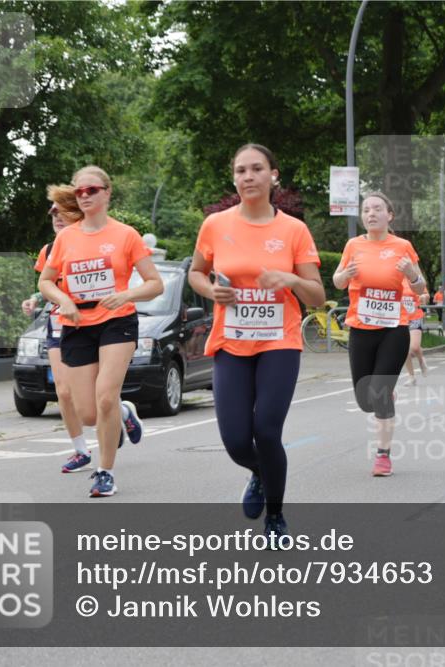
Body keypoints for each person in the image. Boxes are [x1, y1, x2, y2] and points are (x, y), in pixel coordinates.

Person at [189, 144, 323, 540]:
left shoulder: (293, 230)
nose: (248, 176)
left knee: (266, 430)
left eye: (257, 169)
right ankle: (260, 473)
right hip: (231, 342)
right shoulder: (216, 225)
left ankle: (276, 518)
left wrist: (292, 281)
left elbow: (316, 295)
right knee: (234, 440)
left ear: (273, 176)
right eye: (241, 170)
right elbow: (197, 272)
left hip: (278, 342)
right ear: (234, 178)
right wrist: (212, 291)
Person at [39, 166, 162, 498]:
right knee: (90, 413)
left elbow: (155, 284)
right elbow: (45, 281)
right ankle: (124, 412)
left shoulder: (126, 235)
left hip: (116, 321)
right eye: (79, 192)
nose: (85, 196)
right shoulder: (66, 237)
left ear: (107, 192)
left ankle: (105, 471)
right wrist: (64, 300)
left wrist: (126, 295)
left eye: (91, 190)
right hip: (77, 325)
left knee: (105, 395)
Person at [335, 192, 425, 477]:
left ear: (390, 215)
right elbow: (337, 282)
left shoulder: (402, 246)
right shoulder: (353, 245)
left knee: (381, 394)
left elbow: (421, 287)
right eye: (366, 210)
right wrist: (345, 274)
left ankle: (383, 455)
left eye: (377, 209)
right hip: (361, 329)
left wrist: (411, 274)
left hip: (393, 329)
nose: (371, 213)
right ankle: (385, 393)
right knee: (365, 400)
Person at [22, 199, 90, 473]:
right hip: (57, 322)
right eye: (52, 214)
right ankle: (81, 451)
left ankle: (121, 412)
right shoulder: (48, 250)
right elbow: (49, 285)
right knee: (63, 390)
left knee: (94, 392)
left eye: (62, 213)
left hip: (89, 322)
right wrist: (35, 299)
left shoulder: (87, 245)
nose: (57, 218)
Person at [402, 279, 429, 385]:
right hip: (400, 318)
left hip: (415, 317)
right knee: (403, 350)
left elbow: (426, 294)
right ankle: (411, 377)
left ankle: (421, 361)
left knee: (414, 347)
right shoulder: (394, 278)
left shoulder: (415, 279)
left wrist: (424, 297)